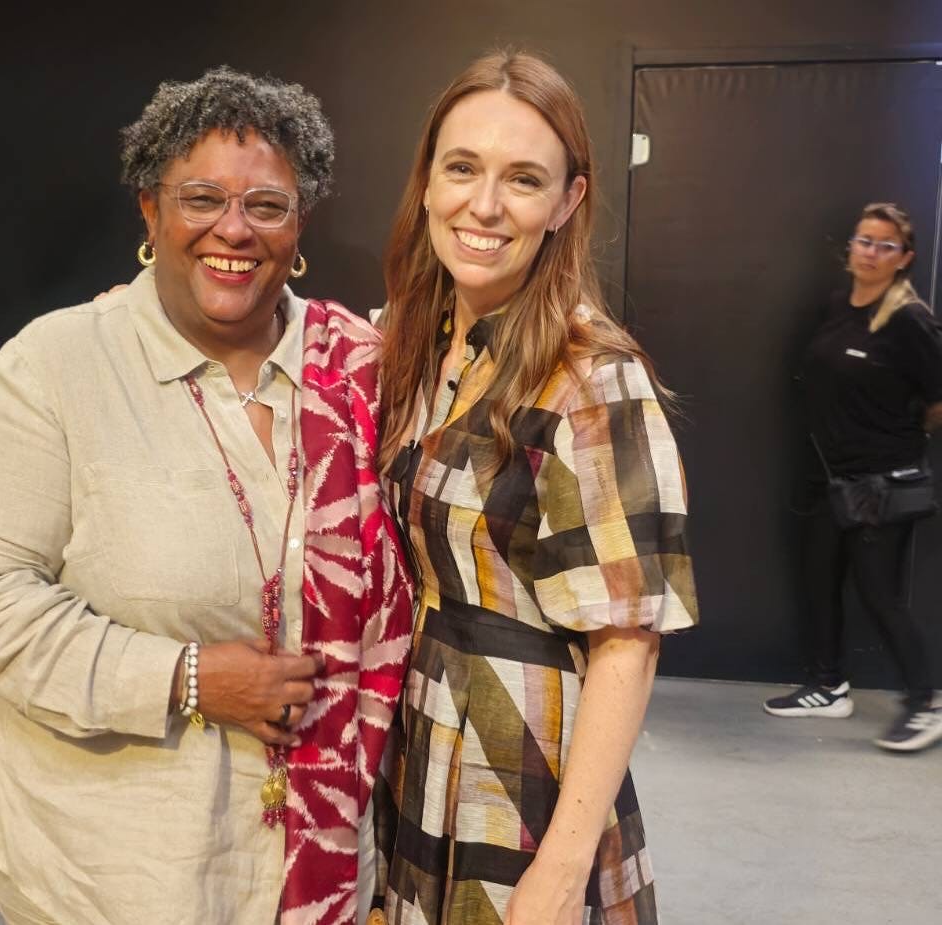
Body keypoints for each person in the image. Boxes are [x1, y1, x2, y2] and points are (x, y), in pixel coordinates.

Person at [0, 67, 413, 925]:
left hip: (319, 862)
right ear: (150, 211)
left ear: (299, 225)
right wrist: (182, 677)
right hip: (116, 878)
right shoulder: (58, 366)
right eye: (201, 198)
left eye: (266, 205)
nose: (235, 228)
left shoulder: (362, 374)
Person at [372, 52, 698, 925]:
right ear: (428, 181)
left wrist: (562, 865)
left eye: (523, 179)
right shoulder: (411, 344)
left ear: (567, 202)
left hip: (523, 766)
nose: (484, 205)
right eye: (462, 167)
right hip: (418, 734)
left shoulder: (593, 379)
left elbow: (627, 641)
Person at [763, 202, 942, 753]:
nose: (871, 252)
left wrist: (903, 437)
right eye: (865, 241)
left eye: (886, 245)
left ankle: (926, 702)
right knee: (819, 580)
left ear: (904, 257)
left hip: (881, 483)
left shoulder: (909, 320)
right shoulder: (839, 305)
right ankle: (828, 686)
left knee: (878, 593)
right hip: (829, 476)